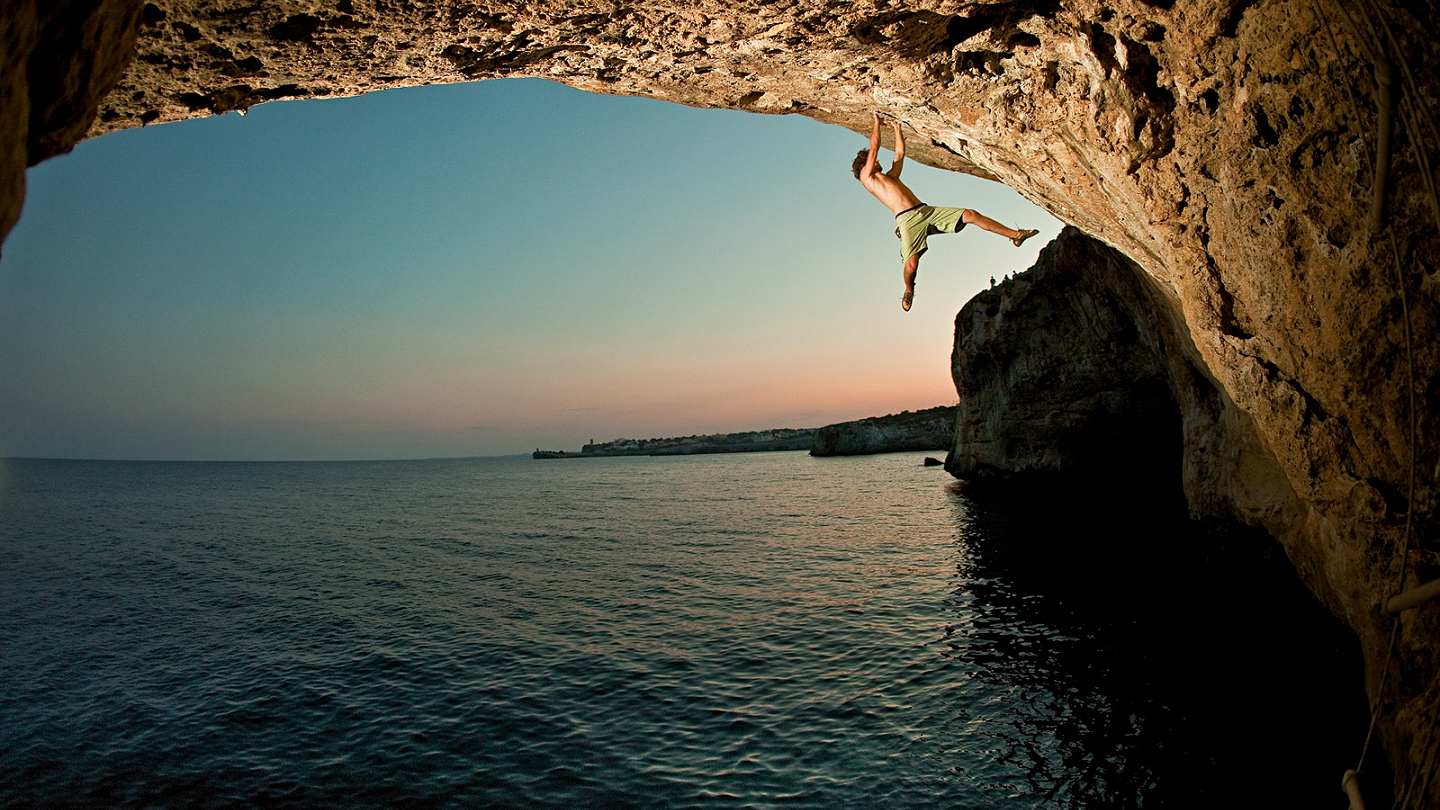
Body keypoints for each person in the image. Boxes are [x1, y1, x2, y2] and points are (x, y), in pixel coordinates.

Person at [853, 111, 1039, 311]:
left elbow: (899, 155)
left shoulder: (891, 177)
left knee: (971, 215)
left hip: (926, 211)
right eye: (872, 160)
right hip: (907, 221)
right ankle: (909, 288)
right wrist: (876, 122)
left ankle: (1015, 235)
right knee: (911, 266)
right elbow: (873, 149)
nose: (877, 160)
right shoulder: (867, 179)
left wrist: (898, 130)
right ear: (864, 165)